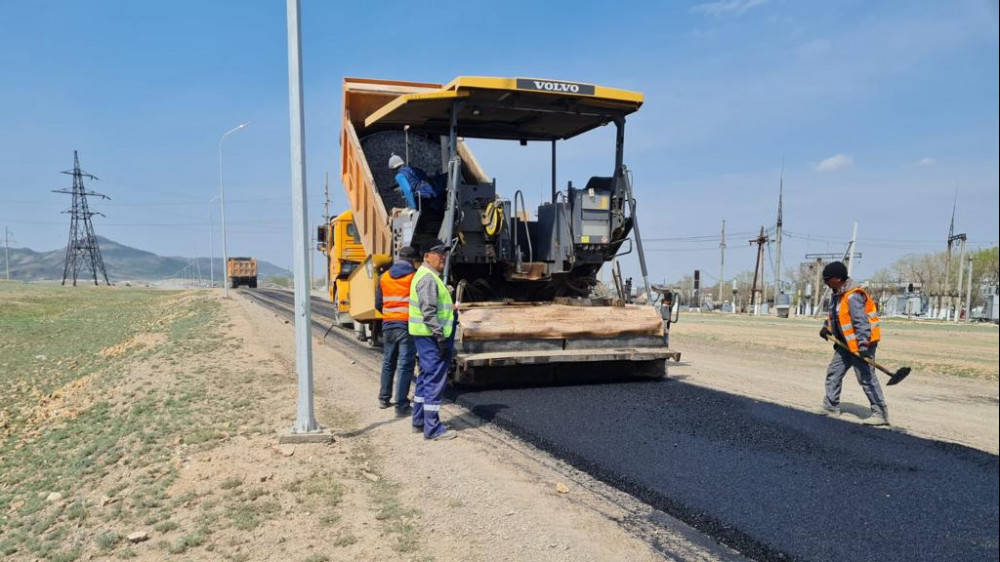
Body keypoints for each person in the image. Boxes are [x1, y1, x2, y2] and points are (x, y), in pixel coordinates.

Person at [818, 261, 889, 426]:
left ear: (837, 279)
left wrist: (863, 348)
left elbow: (861, 323)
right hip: (844, 345)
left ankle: (880, 413)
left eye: (827, 279)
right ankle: (830, 407)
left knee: (866, 378)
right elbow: (834, 316)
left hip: (861, 345)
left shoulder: (853, 295)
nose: (826, 283)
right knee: (833, 373)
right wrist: (826, 328)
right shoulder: (837, 294)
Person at [408, 239, 457, 440]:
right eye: (438, 253)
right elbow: (428, 312)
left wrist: (447, 293)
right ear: (427, 256)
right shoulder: (428, 278)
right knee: (435, 380)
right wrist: (441, 338)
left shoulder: (429, 277)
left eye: (444, 253)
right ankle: (433, 429)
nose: (443, 256)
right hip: (432, 338)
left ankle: (419, 420)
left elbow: (432, 304)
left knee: (425, 378)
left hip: (426, 337)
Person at [374, 246, 421, 415]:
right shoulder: (414, 277)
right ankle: (401, 405)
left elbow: (378, 304)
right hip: (406, 325)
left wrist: (390, 313)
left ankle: (383, 398)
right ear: (413, 261)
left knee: (388, 362)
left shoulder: (383, 277)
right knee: (405, 365)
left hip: (388, 325)